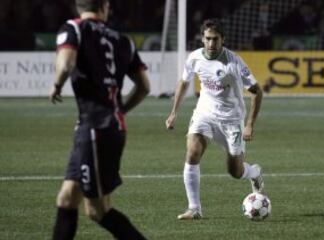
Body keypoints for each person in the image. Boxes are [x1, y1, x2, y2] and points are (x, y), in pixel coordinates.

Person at [49, 0, 149, 239]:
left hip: (95, 129)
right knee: (67, 198)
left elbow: (66, 63)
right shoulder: (122, 40)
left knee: (98, 210)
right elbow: (144, 87)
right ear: (105, 6)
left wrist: (57, 84)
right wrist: (120, 110)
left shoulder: (73, 28)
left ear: (78, 6)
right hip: (101, 127)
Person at [165, 18, 264, 220]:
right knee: (192, 152)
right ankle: (194, 208)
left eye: (215, 39)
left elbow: (257, 91)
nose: (211, 44)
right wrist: (174, 111)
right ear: (202, 38)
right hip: (205, 113)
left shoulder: (234, 62)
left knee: (235, 171)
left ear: (222, 40)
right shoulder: (194, 58)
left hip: (231, 120)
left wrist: (249, 125)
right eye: (208, 39)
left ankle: (253, 172)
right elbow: (184, 82)